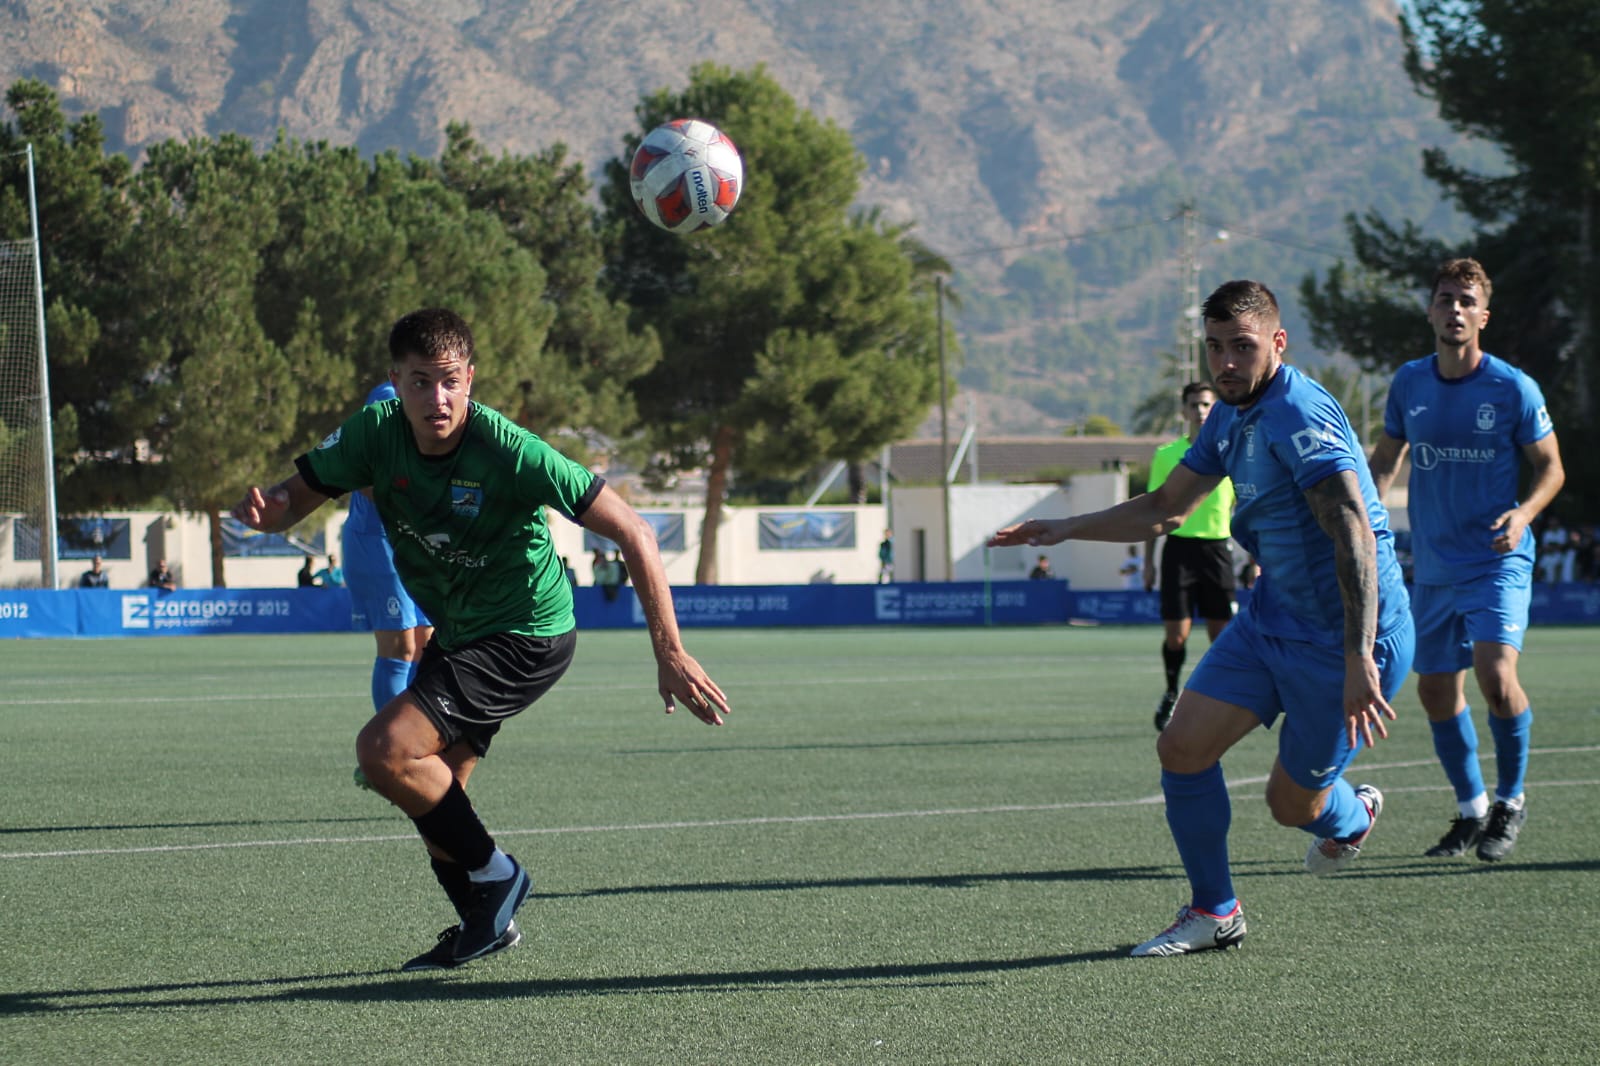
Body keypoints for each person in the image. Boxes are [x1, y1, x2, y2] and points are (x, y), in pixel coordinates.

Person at [231, 308, 729, 973]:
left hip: (525, 631)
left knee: (384, 750)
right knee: (435, 788)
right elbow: (295, 497)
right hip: (463, 630)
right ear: (395, 383)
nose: (435, 399)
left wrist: (669, 652)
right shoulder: (374, 436)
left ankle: (498, 877)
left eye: (447, 381)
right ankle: (483, 923)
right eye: (417, 383)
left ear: (469, 378)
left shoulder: (509, 450)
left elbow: (634, 531)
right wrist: (270, 515)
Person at [989, 280, 1412, 957]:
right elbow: (1166, 508)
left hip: (1346, 641)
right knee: (1181, 750)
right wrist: (1062, 528)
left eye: (1241, 348)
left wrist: (1360, 656)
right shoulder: (1228, 415)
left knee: (1290, 807)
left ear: (1277, 343)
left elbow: (1354, 533)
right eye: (1214, 348)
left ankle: (1351, 815)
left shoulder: (1298, 414)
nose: (1226, 364)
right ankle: (1216, 911)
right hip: (1272, 620)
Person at [1368, 257, 1564, 863]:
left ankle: (1511, 800)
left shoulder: (1512, 388)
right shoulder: (1409, 383)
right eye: (1445, 298)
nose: (1455, 309)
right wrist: (1365, 519)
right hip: (1431, 566)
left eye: (1466, 300)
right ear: (1430, 311)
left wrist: (1525, 513)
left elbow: (1552, 468)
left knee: (1496, 678)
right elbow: (1383, 463)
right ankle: (1472, 809)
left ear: (1483, 315)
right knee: (1434, 692)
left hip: (1497, 558)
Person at [341, 379, 436, 789]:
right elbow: (365, 476)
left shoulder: (441, 396)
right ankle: (388, 757)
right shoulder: (388, 398)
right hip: (377, 541)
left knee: (430, 645)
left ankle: (421, 747)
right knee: (401, 646)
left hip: (415, 541)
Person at [1142, 382, 1246, 732]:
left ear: (1214, 410)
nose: (1200, 411)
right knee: (1177, 636)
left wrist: (1255, 558)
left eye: (1206, 405)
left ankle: (1223, 698)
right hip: (1179, 552)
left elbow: (1243, 508)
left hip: (1218, 551)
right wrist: (1148, 562)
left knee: (1223, 636)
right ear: (1184, 411)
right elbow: (1155, 510)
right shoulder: (1167, 455)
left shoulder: (1231, 452)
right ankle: (1171, 693)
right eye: (1194, 405)